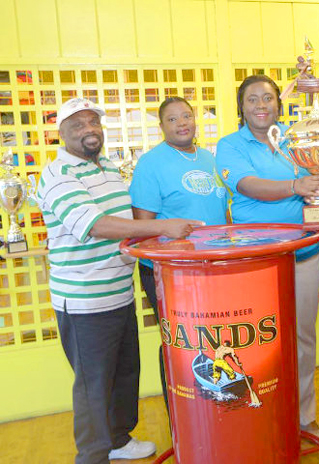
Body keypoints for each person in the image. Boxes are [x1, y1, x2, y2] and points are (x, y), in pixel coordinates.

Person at [36, 98, 202, 464]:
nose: (88, 130)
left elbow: (121, 230)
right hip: (83, 301)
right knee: (94, 386)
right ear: (59, 133)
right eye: (77, 125)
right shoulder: (57, 174)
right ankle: (93, 456)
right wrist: (162, 226)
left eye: (93, 122)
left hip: (118, 293)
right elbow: (96, 225)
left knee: (124, 374)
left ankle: (119, 440)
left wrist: (136, 250)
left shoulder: (109, 168)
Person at [215, 74, 319, 438]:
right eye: (253, 99)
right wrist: (296, 186)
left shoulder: (295, 139)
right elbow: (249, 185)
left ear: (279, 105)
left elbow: (318, 177)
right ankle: (260, 413)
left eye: (268, 98)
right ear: (242, 107)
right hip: (256, 260)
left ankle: (303, 414)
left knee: (303, 339)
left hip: (303, 255)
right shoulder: (230, 146)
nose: (261, 105)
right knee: (257, 342)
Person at [129, 97, 229, 411]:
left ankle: (213, 405)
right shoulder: (151, 163)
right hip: (170, 270)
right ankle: (182, 412)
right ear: (161, 127)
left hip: (212, 267)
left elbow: (221, 211)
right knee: (180, 341)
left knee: (212, 340)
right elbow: (142, 225)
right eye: (172, 119)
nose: (182, 123)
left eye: (186, 116)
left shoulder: (209, 159)